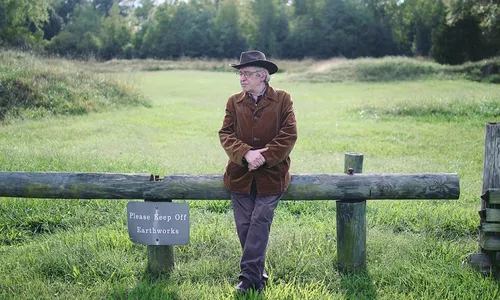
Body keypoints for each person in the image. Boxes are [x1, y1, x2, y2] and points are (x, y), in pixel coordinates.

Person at [219, 50, 298, 294]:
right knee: (244, 226)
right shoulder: (234, 101)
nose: (241, 78)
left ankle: (246, 278)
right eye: (240, 74)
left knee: (260, 221)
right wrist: (245, 153)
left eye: (247, 74)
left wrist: (262, 156)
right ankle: (258, 275)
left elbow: (289, 135)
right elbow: (225, 134)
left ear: (263, 76)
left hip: (272, 175)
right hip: (240, 175)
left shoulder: (283, 99)